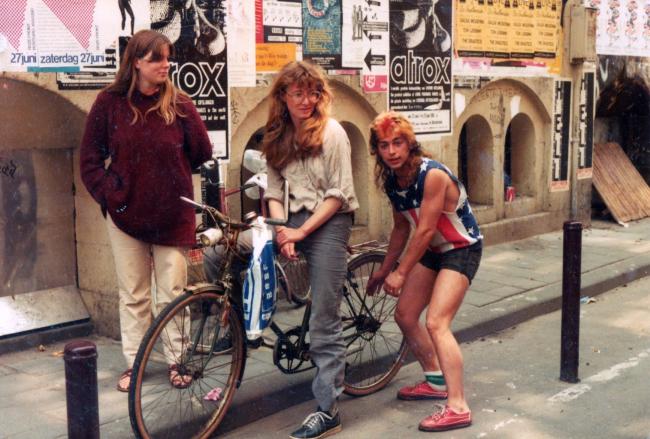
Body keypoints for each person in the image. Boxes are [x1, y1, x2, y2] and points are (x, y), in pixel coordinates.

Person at [203, 61, 357, 439]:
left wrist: (299, 231)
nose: (306, 101)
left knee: (323, 317)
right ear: (283, 97)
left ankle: (328, 409)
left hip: (329, 221)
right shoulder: (276, 136)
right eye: (298, 93)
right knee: (218, 254)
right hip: (290, 221)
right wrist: (280, 230)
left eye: (313, 93)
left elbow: (338, 195)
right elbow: (272, 192)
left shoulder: (333, 132)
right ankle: (243, 329)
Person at [80, 29, 212, 393]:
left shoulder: (180, 103)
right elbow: (89, 160)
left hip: (173, 214)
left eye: (167, 58)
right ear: (136, 62)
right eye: (156, 58)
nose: (165, 65)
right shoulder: (110, 102)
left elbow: (202, 151)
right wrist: (111, 195)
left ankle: (178, 360)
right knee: (134, 294)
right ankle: (136, 364)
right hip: (126, 215)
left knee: (172, 292)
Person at [366, 111, 482, 432]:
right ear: (377, 150)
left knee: (437, 322)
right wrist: (384, 270)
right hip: (432, 252)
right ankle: (435, 380)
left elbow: (426, 228)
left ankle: (457, 405)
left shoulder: (432, 175)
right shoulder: (393, 180)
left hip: (461, 248)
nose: (391, 151)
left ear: (410, 144)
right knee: (404, 314)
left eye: (398, 143)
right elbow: (402, 228)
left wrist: (401, 273)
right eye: (384, 145)